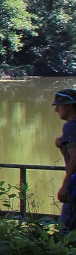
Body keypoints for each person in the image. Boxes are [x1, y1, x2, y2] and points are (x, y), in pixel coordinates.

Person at [53, 88, 76, 230]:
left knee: (67, 229)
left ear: (69, 106)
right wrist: (62, 147)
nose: (56, 109)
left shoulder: (70, 127)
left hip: (75, 184)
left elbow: (75, 157)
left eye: (58, 105)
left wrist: (64, 187)